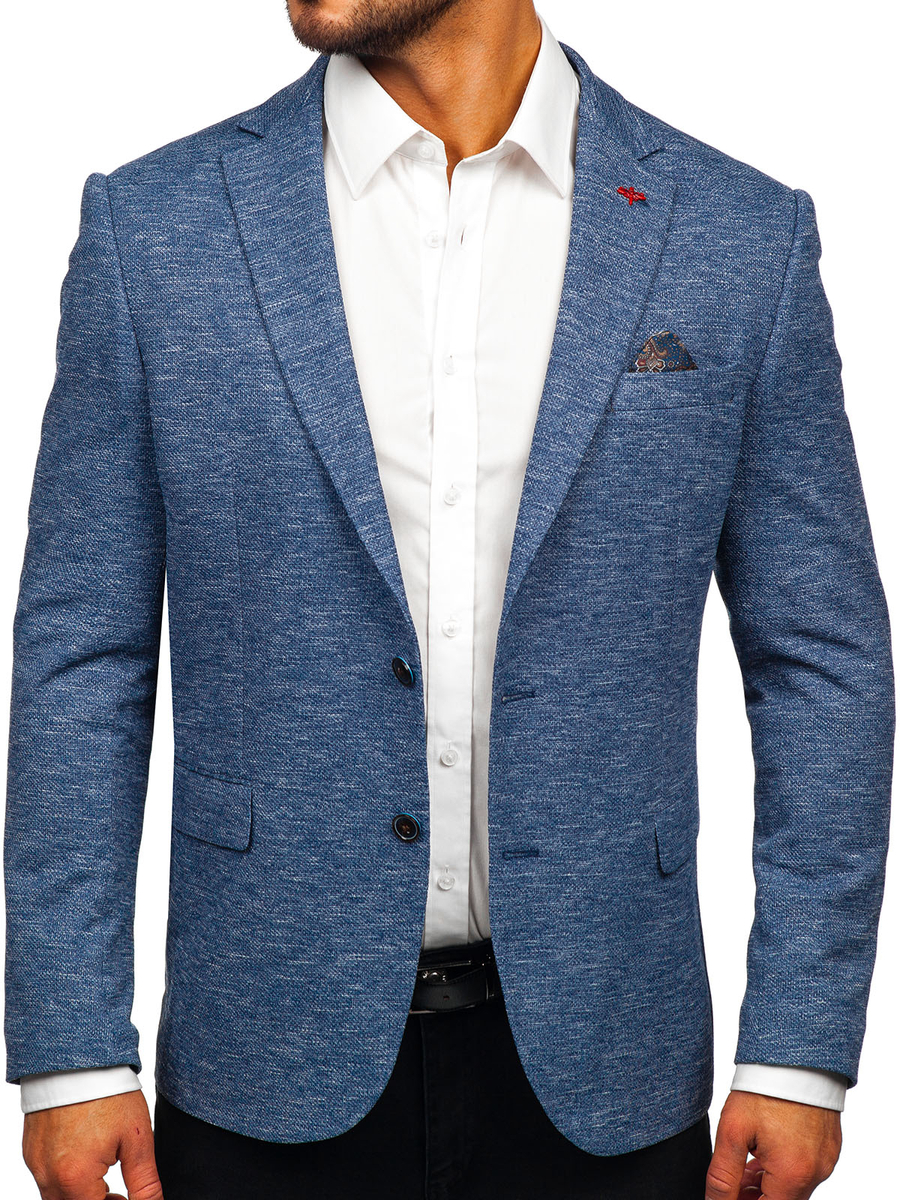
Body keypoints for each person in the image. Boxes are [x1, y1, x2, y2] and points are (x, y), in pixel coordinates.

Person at [5, 2, 893, 1198]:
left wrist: (799, 1047)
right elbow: (83, 654)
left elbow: (820, 660)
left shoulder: (734, 236)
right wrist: (69, 1049)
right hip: (262, 1057)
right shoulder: (157, 228)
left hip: (611, 1068)